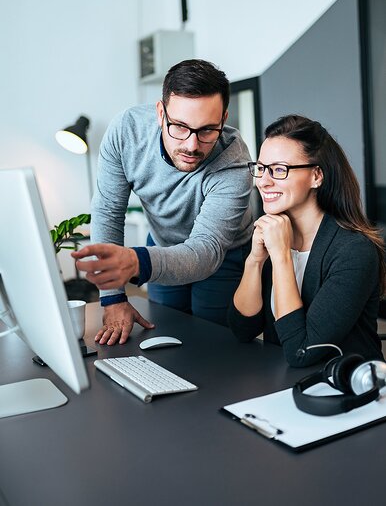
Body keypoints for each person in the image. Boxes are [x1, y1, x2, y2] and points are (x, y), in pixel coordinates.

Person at [73, 59, 253, 345]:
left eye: (207, 130)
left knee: (214, 345)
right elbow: (108, 210)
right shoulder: (127, 132)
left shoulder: (234, 163)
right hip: (161, 242)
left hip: (224, 253)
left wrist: (135, 262)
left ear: (223, 119)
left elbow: (205, 250)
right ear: (161, 113)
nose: (192, 145)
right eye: (180, 126)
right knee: (165, 333)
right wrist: (113, 297)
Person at [228, 114, 385, 367]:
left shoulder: (354, 251)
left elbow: (302, 351)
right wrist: (255, 261)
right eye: (261, 168)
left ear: (317, 176)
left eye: (279, 170)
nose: (263, 181)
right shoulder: (273, 231)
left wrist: (280, 258)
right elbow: (242, 328)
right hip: (284, 385)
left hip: (345, 389)